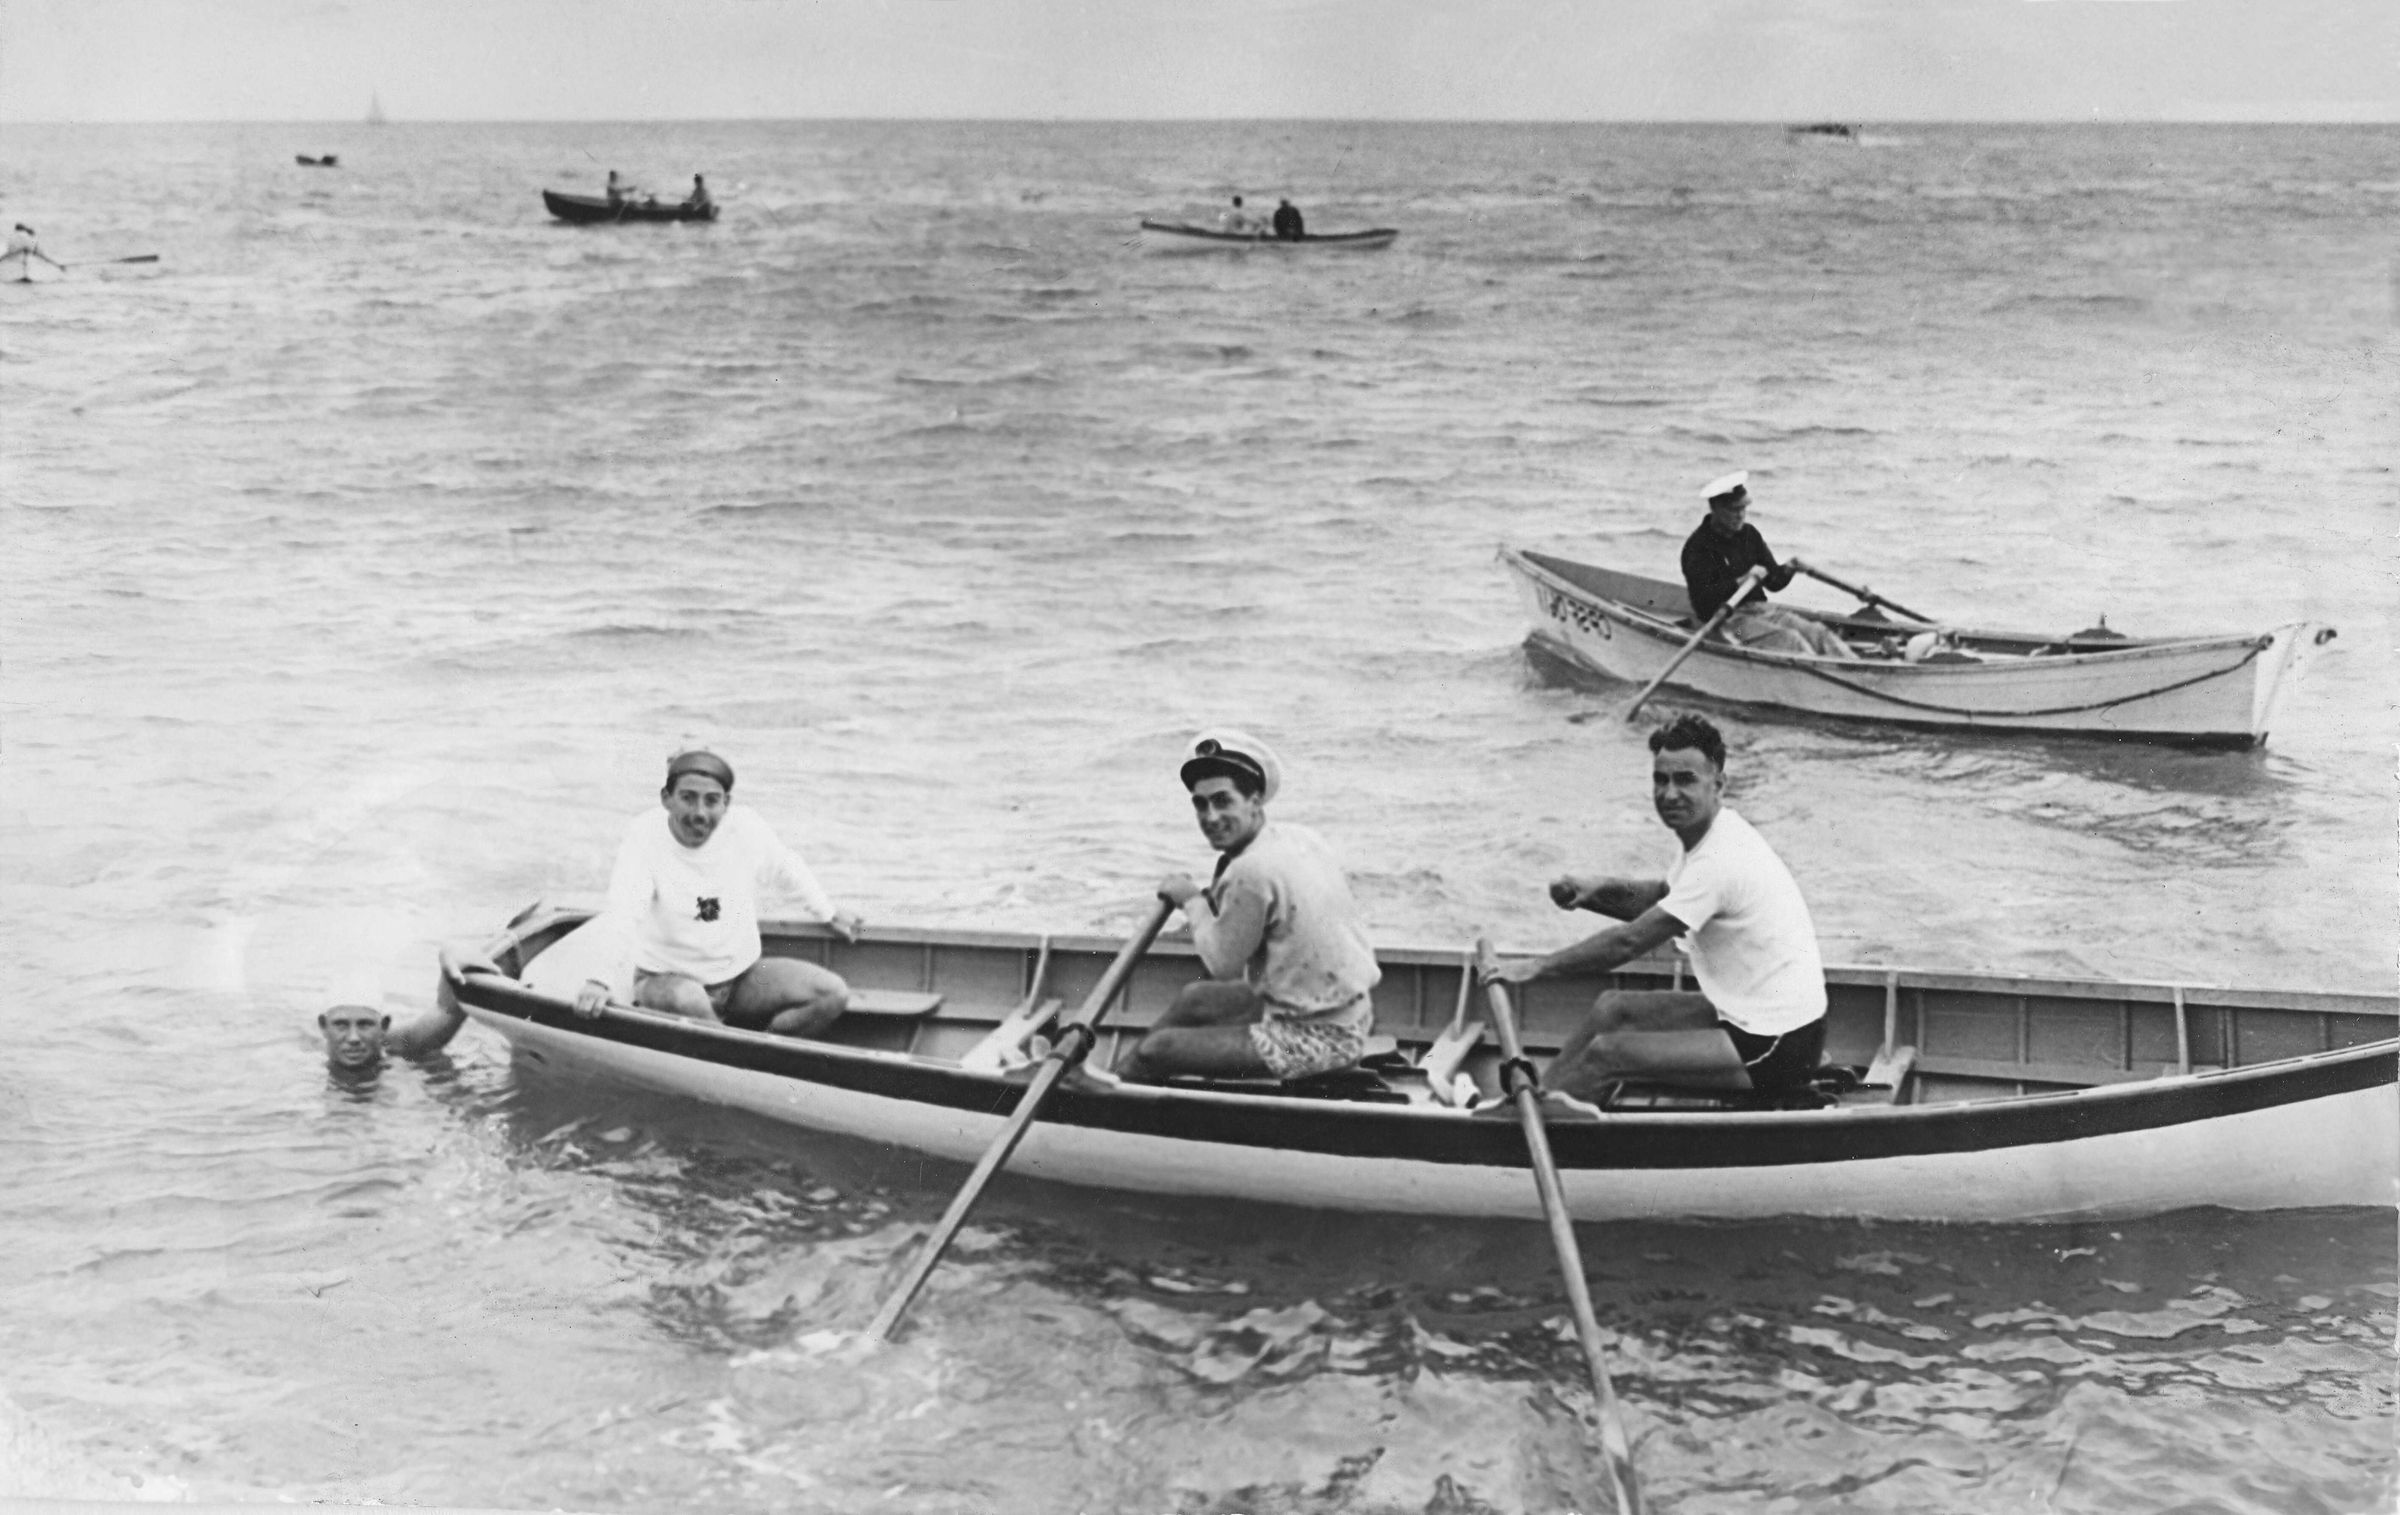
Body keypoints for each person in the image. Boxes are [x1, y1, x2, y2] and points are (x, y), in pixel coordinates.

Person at [1485, 714, 1828, 1101]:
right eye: (1660, 780)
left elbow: (1628, 943)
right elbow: (1663, 898)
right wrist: (1595, 891)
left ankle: (1536, 1124)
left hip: (1778, 1045)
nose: (1669, 794)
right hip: (1748, 1014)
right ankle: (1543, 1101)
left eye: (1685, 780)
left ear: (1718, 785)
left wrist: (1538, 967)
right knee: (1613, 1008)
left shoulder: (1720, 859)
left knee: (1607, 1055)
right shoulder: (1709, 834)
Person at [1117, 730, 1382, 1083]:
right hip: (1352, 1016)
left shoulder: (1250, 870)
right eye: (1201, 804)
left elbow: (1223, 964)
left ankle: (1105, 1093)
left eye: (1223, 801)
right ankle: (1115, 1080)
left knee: (1157, 1049)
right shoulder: (1299, 838)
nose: (1211, 817)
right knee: (1196, 999)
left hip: (1315, 1042)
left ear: (1254, 801)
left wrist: (1191, 901)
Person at [570, 746, 863, 1038]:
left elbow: (787, 869)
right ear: (666, 799)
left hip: (739, 979)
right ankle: (737, 1053)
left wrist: (828, 912)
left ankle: (758, 1053)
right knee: (687, 999)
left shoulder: (746, 827)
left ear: (726, 803)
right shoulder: (644, 836)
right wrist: (599, 980)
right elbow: (623, 912)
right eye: (688, 798)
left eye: (711, 801)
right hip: (667, 982)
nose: (699, 813)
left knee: (832, 993)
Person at [1679, 471, 1856, 659]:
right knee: (1790, 640)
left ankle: (1856, 669)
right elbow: (1703, 605)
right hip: (1728, 626)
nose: (1740, 515)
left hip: (1762, 612)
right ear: (1715, 508)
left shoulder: (1749, 534)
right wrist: (1741, 581)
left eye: (1743, 508)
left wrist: (1789, 569)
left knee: (1819, 633)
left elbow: (1773, 582)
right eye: (1734, 510)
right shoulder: (1698, 547)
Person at [319, 997, 470, 1074]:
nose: (354, 1038)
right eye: (341, 1025)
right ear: (323, 1026)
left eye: (364, 1025)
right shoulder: (309, 1065)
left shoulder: (402, 1049)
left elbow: (449, 1010)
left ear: (384, 1025)